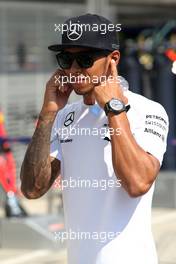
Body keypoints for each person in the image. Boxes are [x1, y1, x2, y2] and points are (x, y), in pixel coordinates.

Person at [20, 14, 169, 264]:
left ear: (113, 59)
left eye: (85, 59)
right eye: (66, 59)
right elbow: (32, 189)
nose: (74, 69)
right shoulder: (64, 117)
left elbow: (137, 184)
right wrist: (47, 116)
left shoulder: (148, 111)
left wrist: (113, 109)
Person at [0, 108, 27, 217]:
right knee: (4, 173)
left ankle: (12, 199)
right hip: (2, 151)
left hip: (4, 148)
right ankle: (11, 201)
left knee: (10, 171)